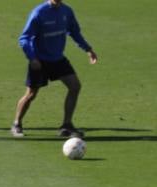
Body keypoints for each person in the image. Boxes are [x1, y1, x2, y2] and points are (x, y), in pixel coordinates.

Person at [11, 0, 97, 138]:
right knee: (31, 94)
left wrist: (88, 49)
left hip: (58, 59)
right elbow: (24, 38)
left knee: (75, 86)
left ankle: (66, 125)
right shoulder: (39, 13)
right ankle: (17, 124)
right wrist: (32, 58)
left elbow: (74, 32)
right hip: (40, 61)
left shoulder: (67, 11)